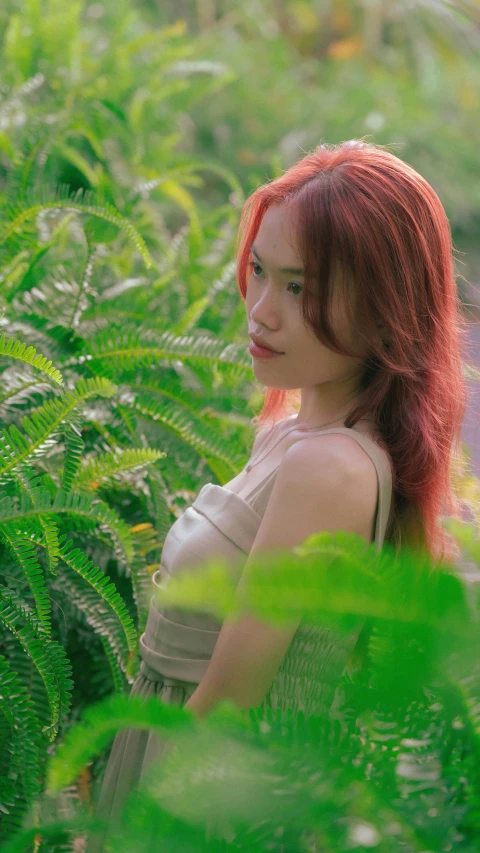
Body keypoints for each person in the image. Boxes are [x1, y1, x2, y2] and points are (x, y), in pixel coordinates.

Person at [86, 139, 469, 850]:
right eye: (259, 271)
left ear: (388, 307)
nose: (261, 311)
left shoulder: (331, 468)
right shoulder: (292, 437)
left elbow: (230, 699)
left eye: (301, 289)